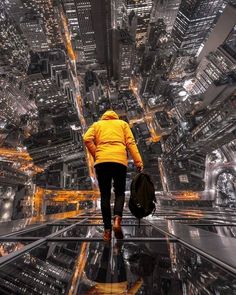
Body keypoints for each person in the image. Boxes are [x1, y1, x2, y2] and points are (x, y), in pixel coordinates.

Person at [83, 110, 143, 241]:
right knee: (119, 193)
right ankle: (117, 220)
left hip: (102, 162)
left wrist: (96, 154)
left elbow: (86, 138)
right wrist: (138, 161)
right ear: (115, 116)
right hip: (119, 162)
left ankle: (107, 231)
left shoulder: (97, 125)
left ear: (103, 117)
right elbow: (131, 143)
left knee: (105, 195)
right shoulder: (122, 124)